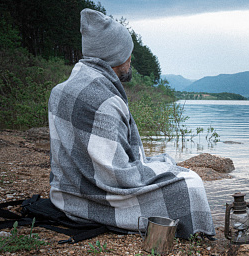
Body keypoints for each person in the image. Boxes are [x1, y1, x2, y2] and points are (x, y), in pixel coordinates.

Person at [48, 8, 215, 239]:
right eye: (128, 55)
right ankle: (200, 238)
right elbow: (115, 176)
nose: (130, 61)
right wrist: (165, 169)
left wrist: (160, 165)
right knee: (190, 184)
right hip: (86, 202)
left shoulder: (59, 91)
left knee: (166, 163)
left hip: (63, 193)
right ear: (115, 55)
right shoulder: (104, 100)